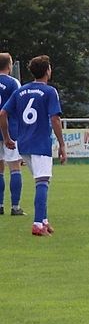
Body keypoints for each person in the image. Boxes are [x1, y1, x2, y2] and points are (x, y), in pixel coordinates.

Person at [0, 55, 66, 236]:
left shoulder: (21, 91)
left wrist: (7, 137)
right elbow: (55, 118)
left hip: (23, 143)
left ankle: (43, 220)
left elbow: (2, 113)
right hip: (40, 143)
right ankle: (37, 224)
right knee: (42, 182)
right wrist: (62, 144)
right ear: (47, 71)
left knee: (42, 180)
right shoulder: (50, 91)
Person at [0, 53, 24, 216]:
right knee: (14, 166)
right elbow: (19, 106)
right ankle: (15, 207)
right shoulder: (13, 82)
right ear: (9, 65)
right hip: (10, 129)